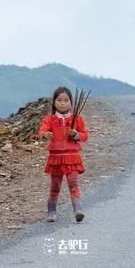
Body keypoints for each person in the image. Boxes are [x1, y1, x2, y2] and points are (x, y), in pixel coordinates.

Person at [37, 86, 89, 222]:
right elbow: (41, 132)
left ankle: (77, 210)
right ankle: (51, 211)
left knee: (73, 183)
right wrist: (45, 135)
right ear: (54, 102)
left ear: (71, 102)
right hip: (56, 158)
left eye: (66, 100)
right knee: (55, 186)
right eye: (59, 100)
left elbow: (85, 135)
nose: (62, 103)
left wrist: (76, 135)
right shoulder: (49, 119)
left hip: (72, 157)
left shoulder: (77, 118)